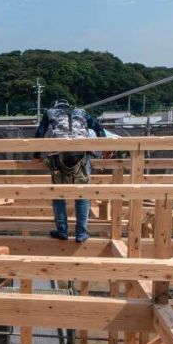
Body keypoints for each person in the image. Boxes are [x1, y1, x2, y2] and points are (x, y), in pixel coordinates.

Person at [34, 100, 107, 242]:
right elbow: (99, 129)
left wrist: (36, 155)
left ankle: (62, 231)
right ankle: (81, 233)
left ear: (56, 106)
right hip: (81, 154)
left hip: (58, 155)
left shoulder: (50, 113)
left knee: (59, 195)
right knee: (82, 195)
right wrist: (103, 147)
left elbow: (40, 133)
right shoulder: (82, 113)